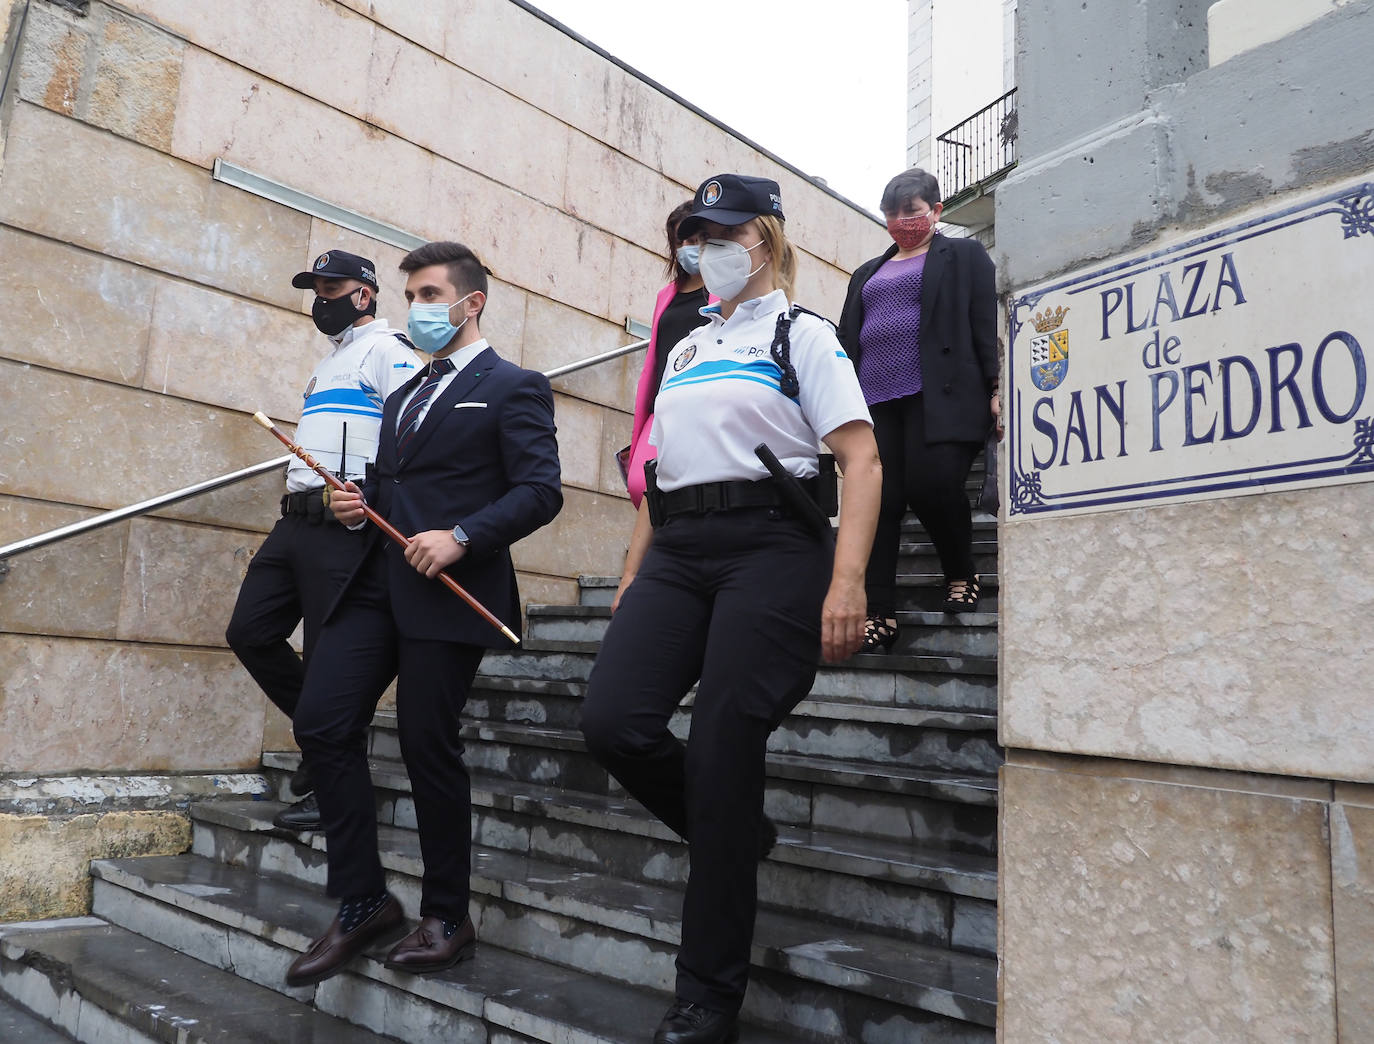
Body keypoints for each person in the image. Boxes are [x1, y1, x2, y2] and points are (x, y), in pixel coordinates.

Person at [579, 174, 882, 1044]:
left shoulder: (803, 334)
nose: (703, 248)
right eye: (693, 234)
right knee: (614, 721)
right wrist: (635, 571)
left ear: (765, 240)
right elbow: (659, 477)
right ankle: (736, 830)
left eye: (721, 232)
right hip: (677, 547)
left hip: (771, 549)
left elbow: (859, 463)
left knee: (719, 748)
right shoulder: (684, 347)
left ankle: (707, 994)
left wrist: (849, 580)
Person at [283, 241, 563, 988]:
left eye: (432, 295)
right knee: (321, 721)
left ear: (471, 303)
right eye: (412, 296)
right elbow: (385, 481)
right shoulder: (405, 392)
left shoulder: (516, 386)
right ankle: (365, 901)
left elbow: (541, 491)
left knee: (424, 744)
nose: (419, 309)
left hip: (450, 589)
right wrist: (352, 505)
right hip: (378, 583)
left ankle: (447, 914)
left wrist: (463, 536)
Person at [225, 249, 419, 831]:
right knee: (250, 631)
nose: (320, 300)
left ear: (364, 294)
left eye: (331, 289)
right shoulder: (327, 364)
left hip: (346, 526)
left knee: (329, 653)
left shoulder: (390, 352)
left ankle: (329, 771)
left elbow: (413, 435)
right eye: (315, 289)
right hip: (296, 522)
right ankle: (326, 739)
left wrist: (374, 499)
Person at [836, 168, 1000, 651]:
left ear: (936, 210)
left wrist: (996, 384)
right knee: (879, 503)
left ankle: (960, 571)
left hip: (943, 395)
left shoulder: (965, 255)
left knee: (933, 487)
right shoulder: (867, 272)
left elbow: (983, 321)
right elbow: (848, 340)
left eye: (912, 210)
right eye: (893, 213)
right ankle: (880, 612)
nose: (902, 220)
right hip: (876, 400)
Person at [624, 201, 712, 508]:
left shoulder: (724, 292)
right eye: (681, 242)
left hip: (702, 404)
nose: (688, 247)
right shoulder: (667, 294)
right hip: (662, 403)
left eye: (696, 240)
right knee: (640, 484)